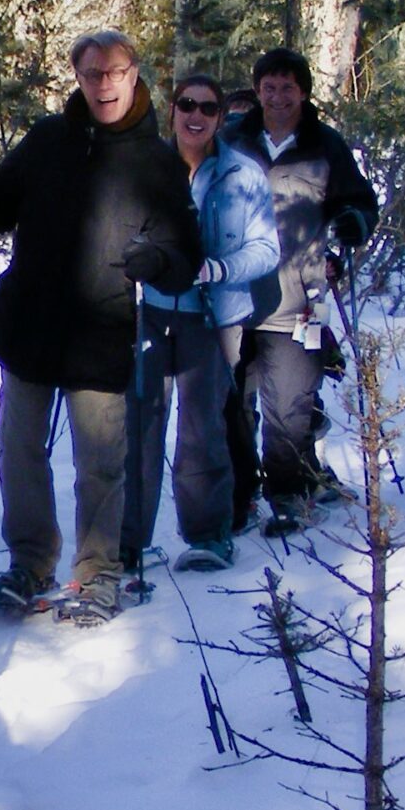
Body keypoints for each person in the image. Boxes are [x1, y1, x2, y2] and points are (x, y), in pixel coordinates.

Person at [0, 29, 202, 624]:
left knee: (100, 463)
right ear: (77, 79)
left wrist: (157, 262)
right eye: (91, 74)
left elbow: (185, 254)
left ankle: (98, 573)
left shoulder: (157, 161)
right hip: (31, 327)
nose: (103, 84)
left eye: (114, 72)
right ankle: (30, 564)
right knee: (18, 450)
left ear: (135, 74)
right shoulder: (48, 140)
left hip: (103, 334)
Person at [124, 72, 279, 573]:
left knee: (202, 429)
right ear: (172, 110)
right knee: (140, 427)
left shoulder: (243, 174)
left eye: (208, 108)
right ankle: (131, 541)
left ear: (220, 117)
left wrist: (220, 269)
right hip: (148, 313)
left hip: (213, 320)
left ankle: (209, 535)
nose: (196, 116)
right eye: (187, 104)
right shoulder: (148, 166)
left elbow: (267, 250)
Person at [224, 45, 379, 532]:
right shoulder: (231, 140)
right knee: (229, 407)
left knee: (288, 409)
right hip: (232, 298)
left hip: (296, 299)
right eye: (268, 87)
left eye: (287, 88)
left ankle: (288, 493)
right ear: (257, 91)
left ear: (304, 93)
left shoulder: (324, 145)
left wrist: (352, 222)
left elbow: (357, 200)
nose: (277, 96)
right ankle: (238, 494)